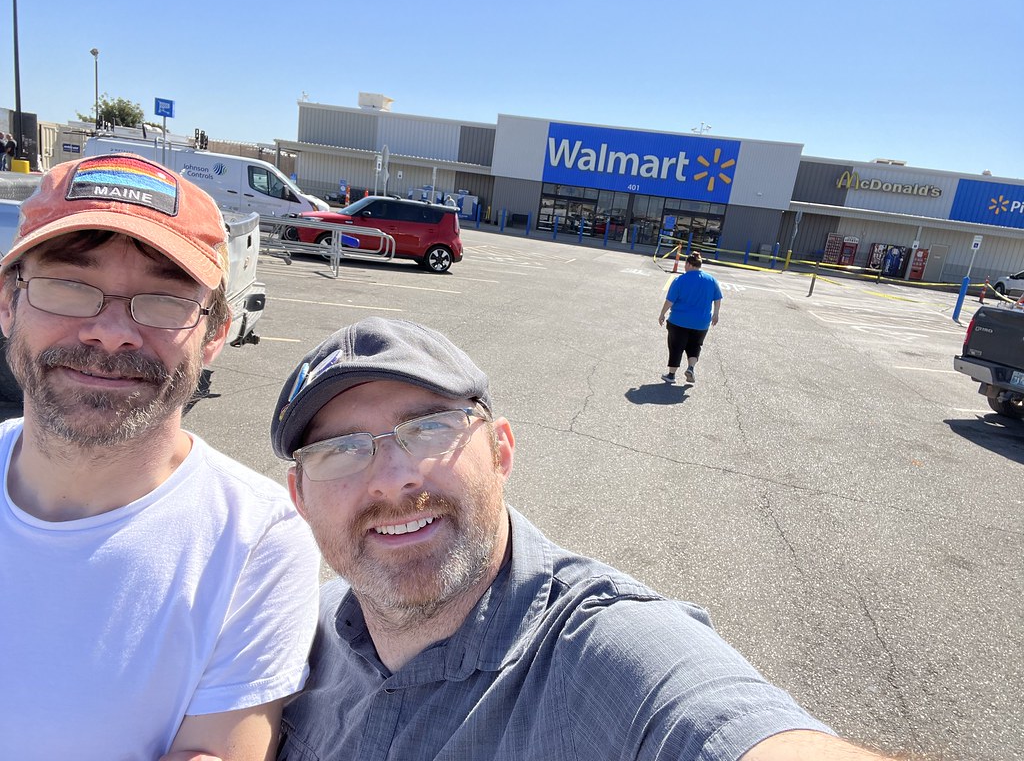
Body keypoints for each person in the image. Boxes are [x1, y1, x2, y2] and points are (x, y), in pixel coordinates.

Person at [267, 316, 902, 760]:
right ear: (300, 497)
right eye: (340, 450)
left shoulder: (606, 654)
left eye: (429, 430)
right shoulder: (297, 637)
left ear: (501, 450)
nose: (392, 480)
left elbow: (725, 726)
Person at [0, 153, 321, 761]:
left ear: (215, 333)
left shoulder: (254, 543)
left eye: (164, 299)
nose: (112, 331)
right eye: (69, 286)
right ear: (8, 303)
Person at [658, 249, 722, 384]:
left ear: (688, 264)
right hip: (701, 322)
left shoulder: (680, 280)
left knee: (676, 346)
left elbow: (670, 301)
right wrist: (716, 313)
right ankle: (691, 368)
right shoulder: (711, 280)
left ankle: (671, 375)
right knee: (695, 346)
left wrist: (662, 314)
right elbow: (717, 298)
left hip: (679, 321)